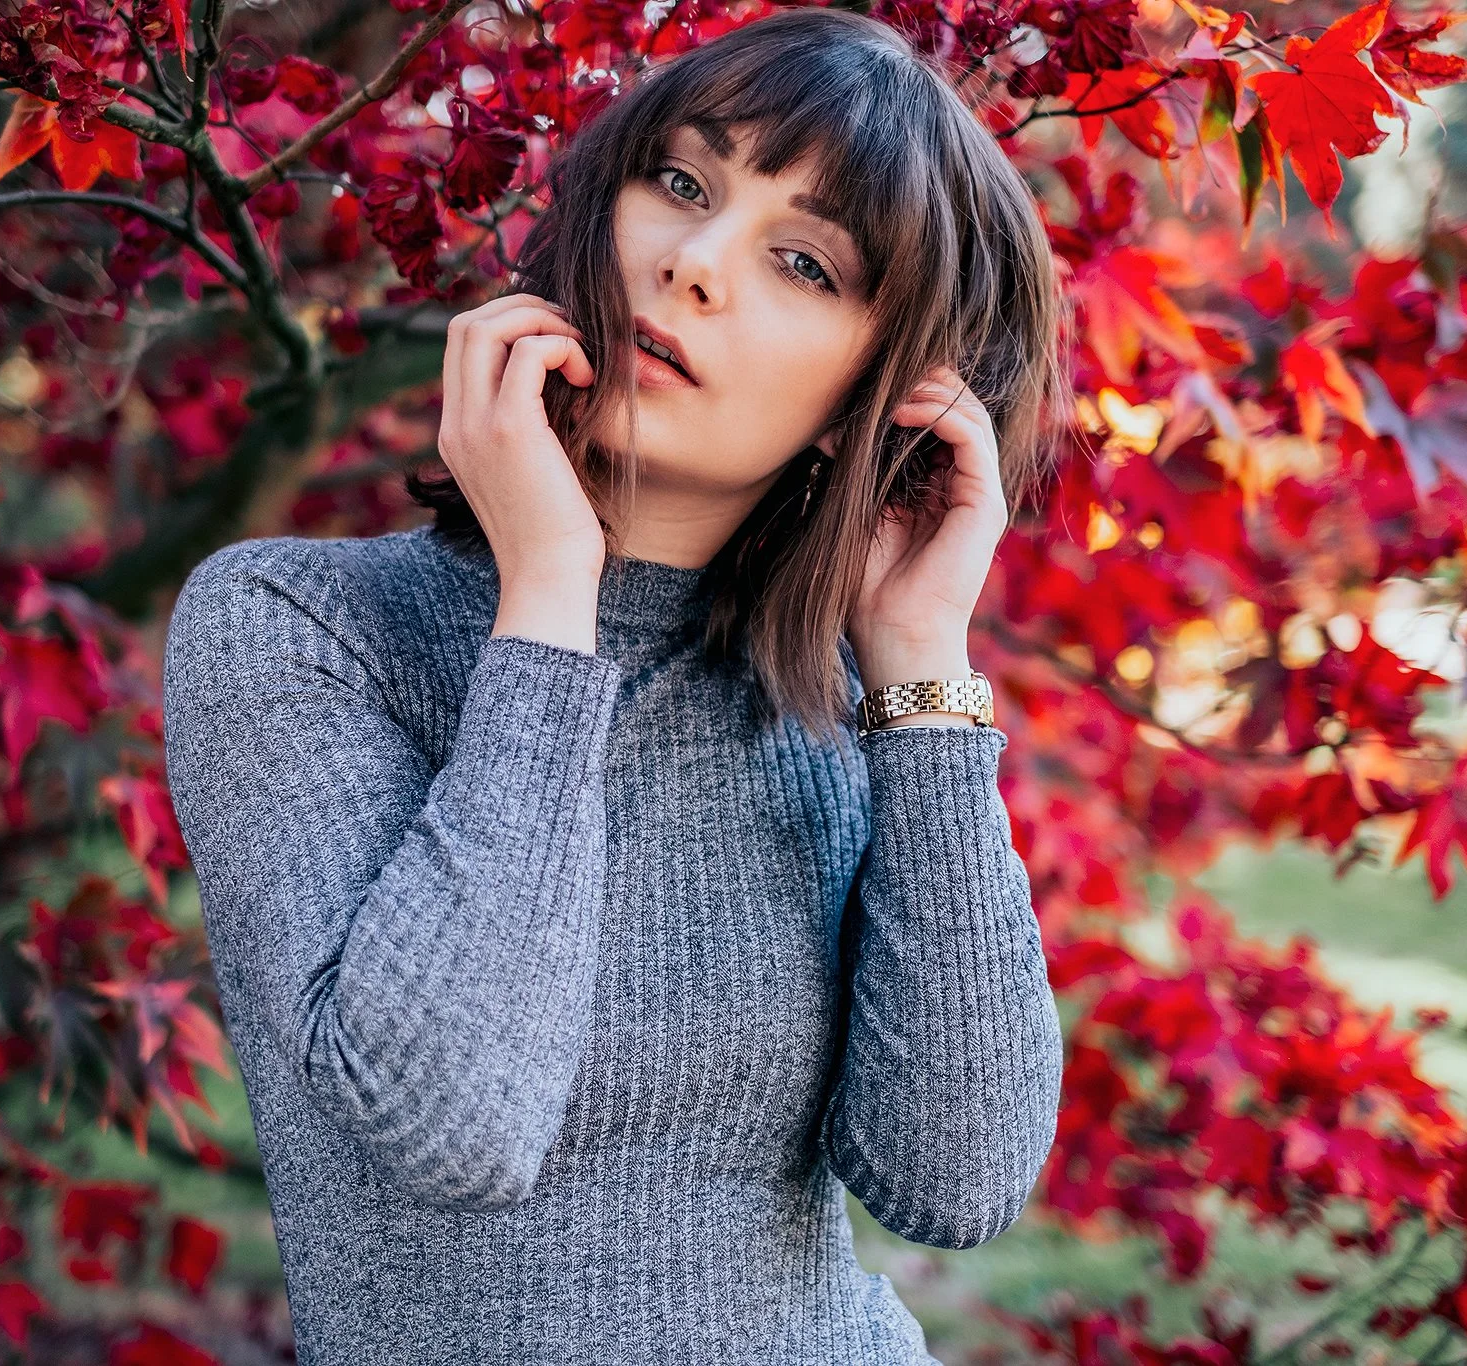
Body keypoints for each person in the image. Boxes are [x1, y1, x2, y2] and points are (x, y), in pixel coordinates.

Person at [161, 8, 1071, 1363]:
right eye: (684, 184)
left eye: (804, 261)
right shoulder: (301, 626)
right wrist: (549, 597)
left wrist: (923, 671)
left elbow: (956, 1180)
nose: (694, 264)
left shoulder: (835, 703)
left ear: (872, 402)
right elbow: (448, 1122)